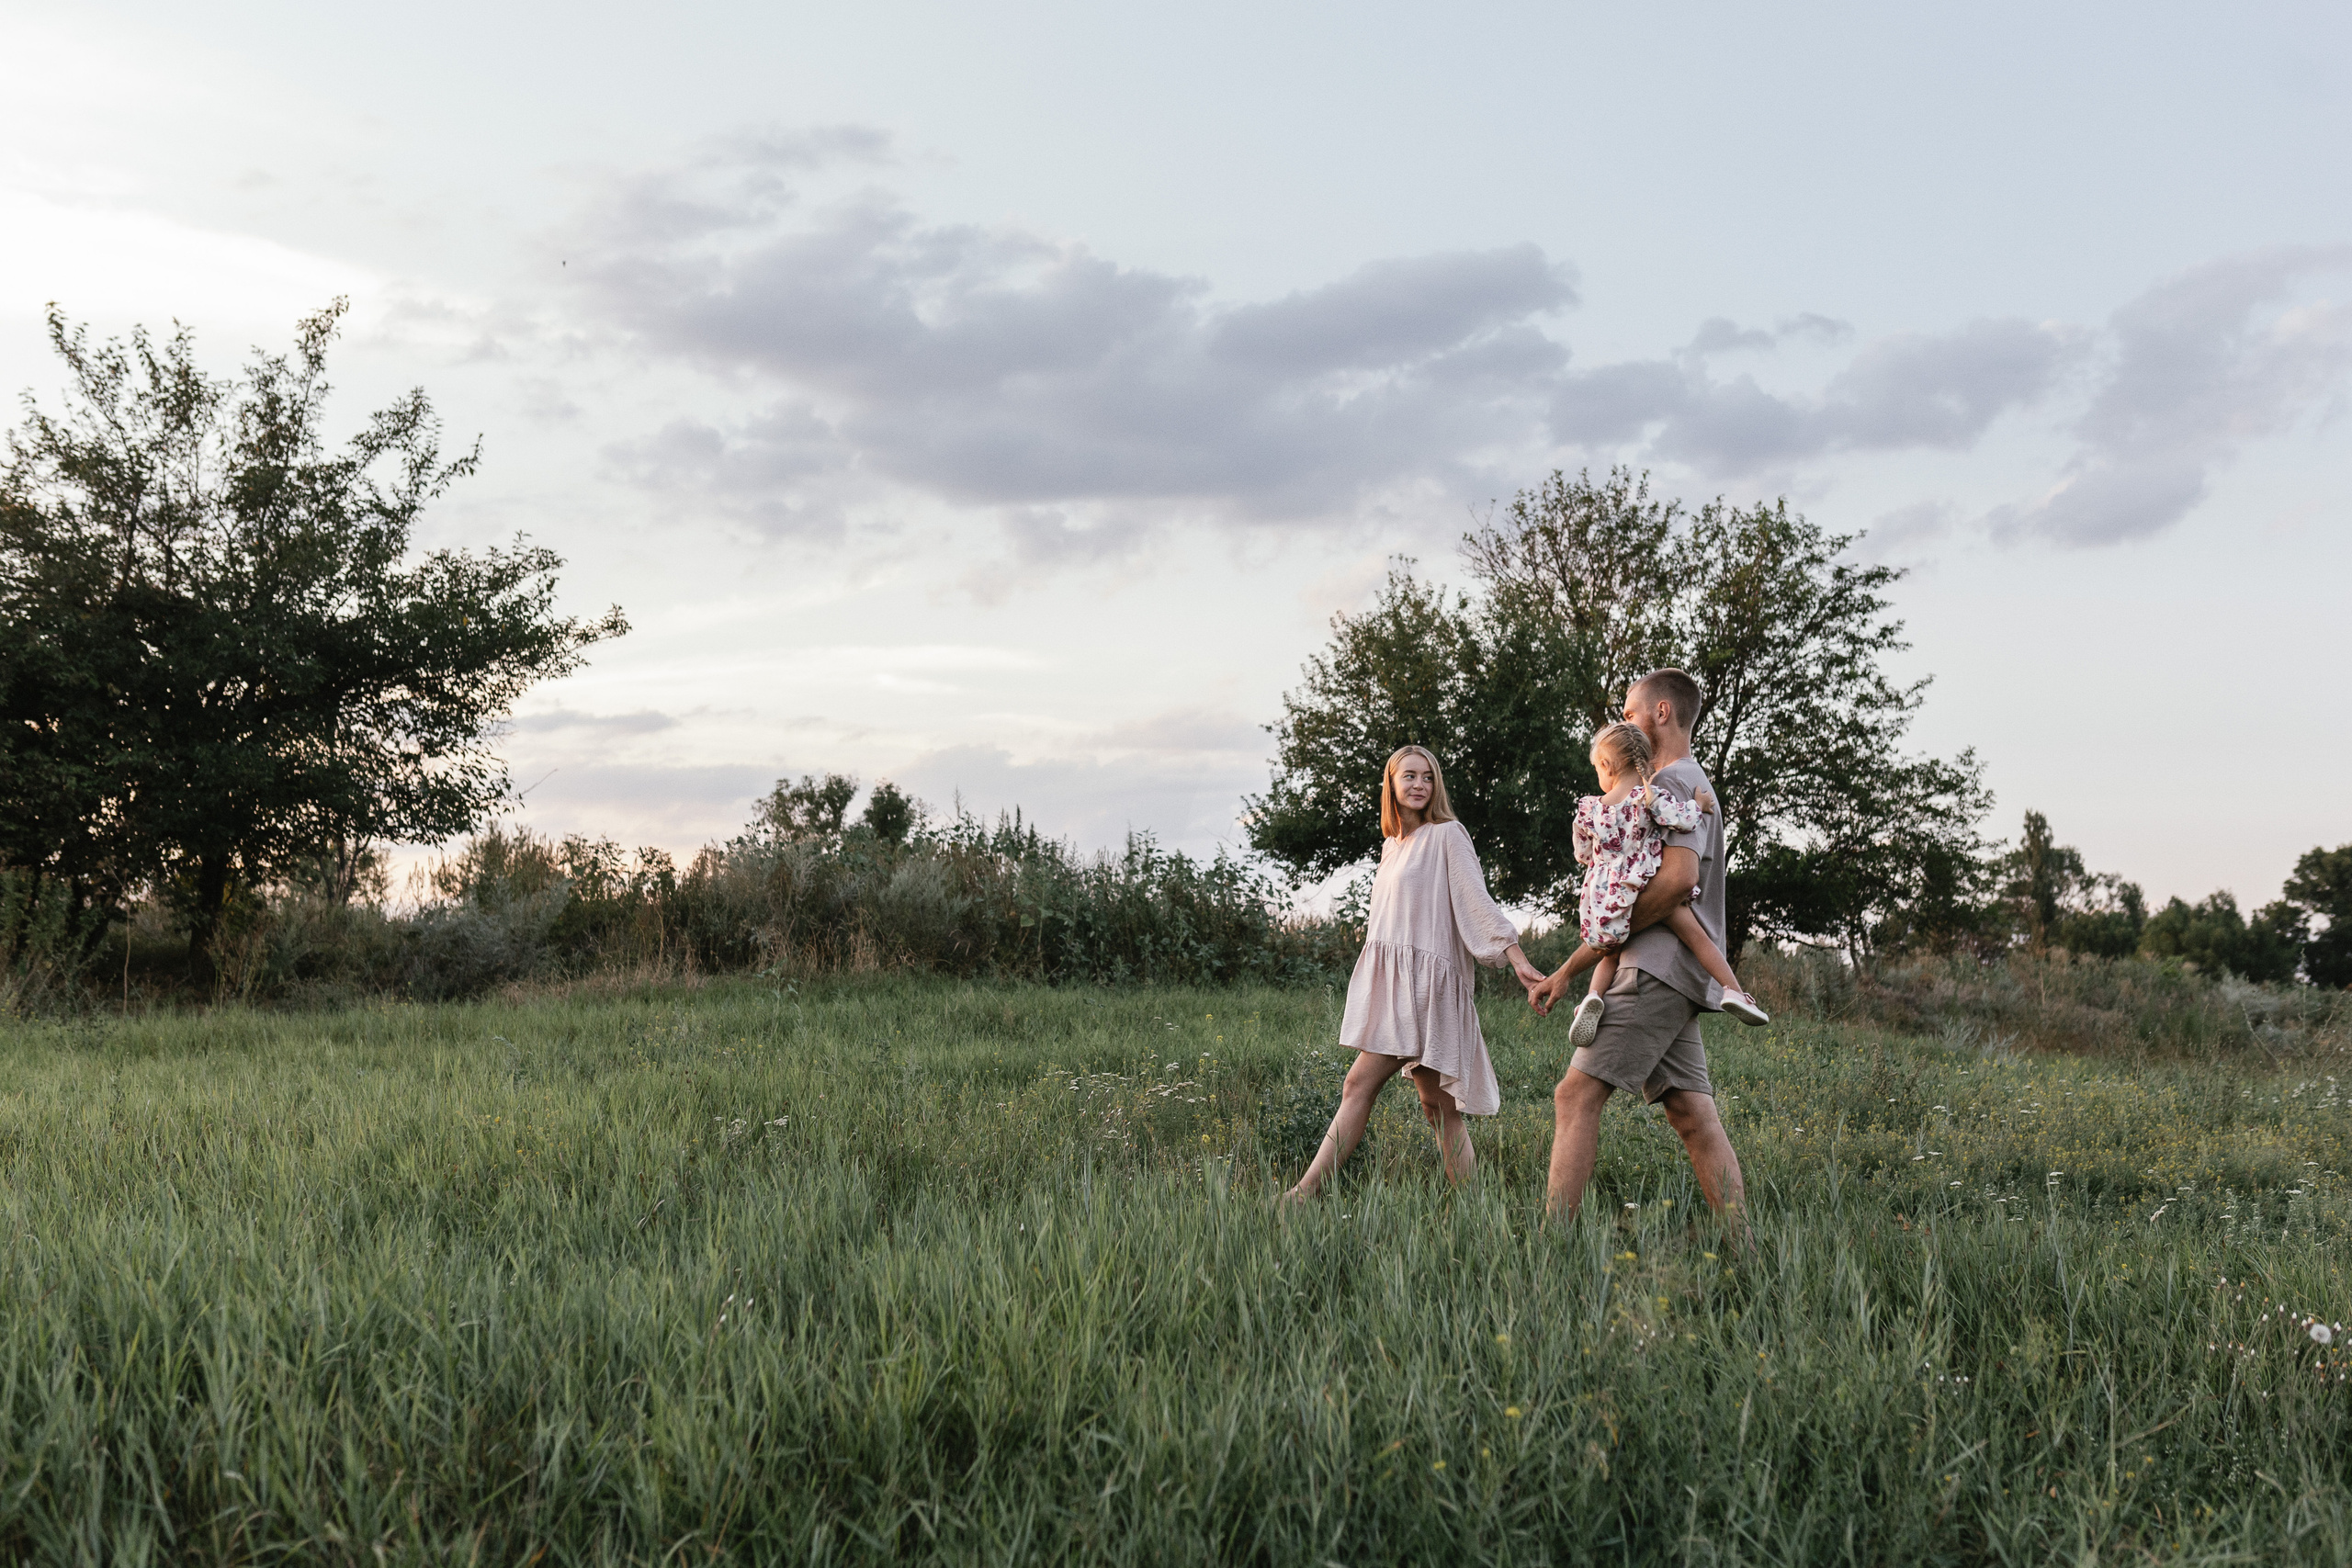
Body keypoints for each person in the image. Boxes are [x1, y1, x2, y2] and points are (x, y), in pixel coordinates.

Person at [1529, 670, 1749, 1229]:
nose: (1624, 722)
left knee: (1573, 1096)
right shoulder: (1685, 785)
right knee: (1692, 1115)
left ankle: (1552, 1246)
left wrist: (1580, 960)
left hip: (1655, 970)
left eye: (1630, 712)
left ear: (1662, 713)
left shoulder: (1670, 784)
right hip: (1673, 973)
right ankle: (1749, 1253)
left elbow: (1675, 882)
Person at [1284, 744, 1549, 1201]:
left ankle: (1304, 1194)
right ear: (1391, 783)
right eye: (1409, 776)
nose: (1419, 785)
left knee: (1358, 1083)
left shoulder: (1448, 835)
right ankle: (1478, 1208)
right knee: (1438, 1107)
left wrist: (1518, 959)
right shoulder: (1391, 846)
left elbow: (1476, 902)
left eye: (1427, 777)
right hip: (1396, 985)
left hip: (1427, 991)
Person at [1548, 719, 1769, 1048]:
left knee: (1611, 948)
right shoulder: (1649, 798)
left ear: (1607, 765)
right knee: (1697, 937)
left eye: (1598, 768)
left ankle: (1593, 996)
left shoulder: (1589, 808)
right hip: (1644, 882)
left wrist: (1595, 860)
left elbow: (1582, 851)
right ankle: (1734, 991)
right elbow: (1680, 819)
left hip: (1605, 892)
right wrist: (1701, 806)